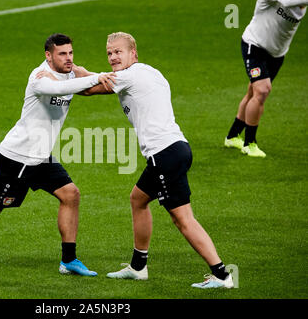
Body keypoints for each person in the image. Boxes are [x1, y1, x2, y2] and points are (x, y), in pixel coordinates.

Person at [0, 33, 115, 276]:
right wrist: (95, 76)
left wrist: (124, 80)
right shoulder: (39, 78)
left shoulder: (70, 72)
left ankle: (68, 260)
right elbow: (63, 87)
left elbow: (92, 88)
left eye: (70, 53)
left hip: (40, 156)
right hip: (18, 158)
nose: (68, 58)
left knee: (71, 194)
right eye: (62, 54)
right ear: (48, 55)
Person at [75, 32, 233, 288]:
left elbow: (90, 90)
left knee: (182, 218)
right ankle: (138, 267)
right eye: (109, 53)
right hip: (177, 148)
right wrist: (80, 70)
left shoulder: (131, 75)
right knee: (138, 199)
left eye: (118, 52)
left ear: (133, 54)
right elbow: (101, 78)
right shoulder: (147, 72)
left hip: (164, 154)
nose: (113, 57)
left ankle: (222, 275)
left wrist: (63, 76)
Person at [224, 0, 307, 158]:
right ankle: (249, 144)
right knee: (262, 90)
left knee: (252, 93)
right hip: (255, 46)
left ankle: (232, 136)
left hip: (277, 54)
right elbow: (288, 2)